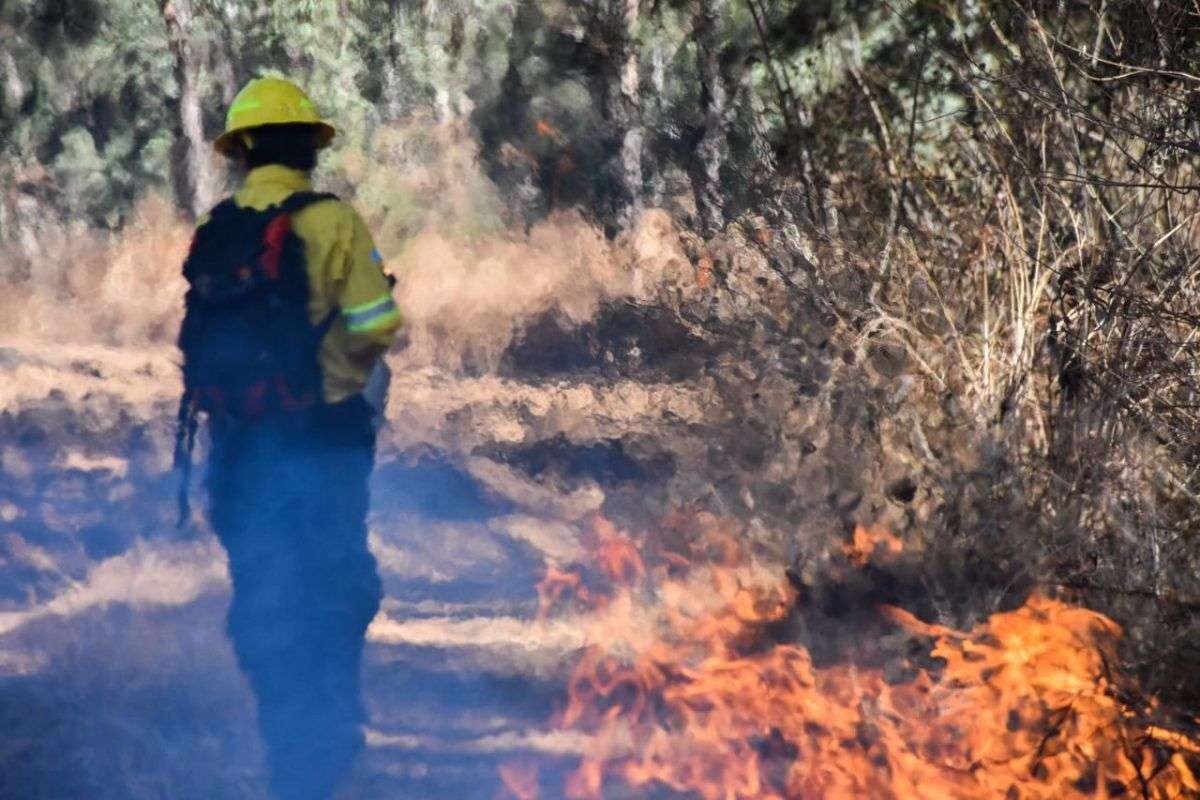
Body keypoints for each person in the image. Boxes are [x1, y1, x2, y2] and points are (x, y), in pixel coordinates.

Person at [176, 77, 402, 799]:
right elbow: (376, 326)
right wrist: (343, 375)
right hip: (323, 440)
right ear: (310, 147)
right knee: (333, 586)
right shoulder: (333, 222)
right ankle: (327, 745)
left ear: (240, 151)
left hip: (239, 446)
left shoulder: (217, 228)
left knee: (264, 590)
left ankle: (284, 742)